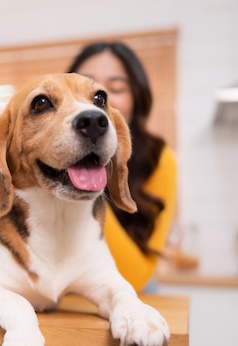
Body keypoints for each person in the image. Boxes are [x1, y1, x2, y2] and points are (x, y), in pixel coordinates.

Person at [66, 41, 177, 292]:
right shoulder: (51, 163)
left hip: (132, 300)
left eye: (115, 88)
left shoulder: (159, 158)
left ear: (136, 99)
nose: (96, 101)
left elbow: (135, 277)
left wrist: (89, 186)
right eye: (85, 84)